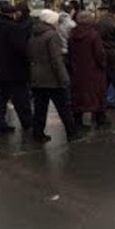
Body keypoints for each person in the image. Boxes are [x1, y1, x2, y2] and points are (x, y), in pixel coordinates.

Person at [28, 9, 82, 143]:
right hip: (52, 78)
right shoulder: (52, 36)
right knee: (64, 108)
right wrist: (64, 78)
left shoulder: (34, 34)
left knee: (40, 108)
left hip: (37, 77)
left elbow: (29, 54)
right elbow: (56, 59)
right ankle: (72, 132)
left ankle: (38, 133)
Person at [0, 0, 33, 134]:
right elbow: (22, 49)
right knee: (20, 99)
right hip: (15, 70)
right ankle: (27, 123)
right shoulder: (15, 28)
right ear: (11, 14)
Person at [68, 10, 108, 129]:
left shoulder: (72, 34)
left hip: (77, 71)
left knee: (78, 95)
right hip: (93, 70)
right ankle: (100, 119)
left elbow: (70, 53)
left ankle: (78, 121)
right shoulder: (93, 35)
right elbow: (99, 54)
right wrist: (103, 64)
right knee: (96, 94)